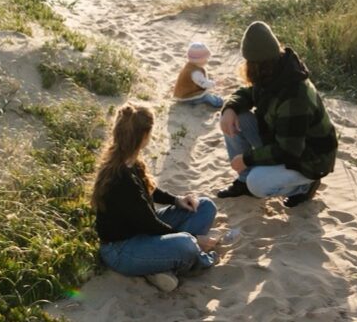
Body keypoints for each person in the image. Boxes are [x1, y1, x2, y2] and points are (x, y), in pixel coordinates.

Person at [93, 103, 219, 292]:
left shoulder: (129, 160)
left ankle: (158, 266)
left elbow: (149, 189)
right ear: (144, 136)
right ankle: (178, 261)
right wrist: (194, 239)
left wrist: (176, 200)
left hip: (142, 231)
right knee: (187, 244)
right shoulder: (121, 179)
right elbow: (149, 224)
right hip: (121, 250)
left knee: (205, 206)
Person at [216, 21, 337, 207]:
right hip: (282, 140)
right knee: (236, 117)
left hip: (310, 158)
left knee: (257, 184)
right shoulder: (274, 72)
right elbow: (248, 93)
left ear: (255, 64)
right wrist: (230, 108)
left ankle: (305, 187)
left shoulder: (294, 95)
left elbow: (289, 151)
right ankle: (243, 181)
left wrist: (247, 159)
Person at [173, 42, 224, 108]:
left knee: (206, 94)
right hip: (186, 96)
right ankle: (218, 103)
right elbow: (204, 84)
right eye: (206, 58)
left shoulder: (190, 66)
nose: (207, 61)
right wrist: (214, 83)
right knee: (206, 96)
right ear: (200, 60)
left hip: (182, 94)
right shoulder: (195, 72)